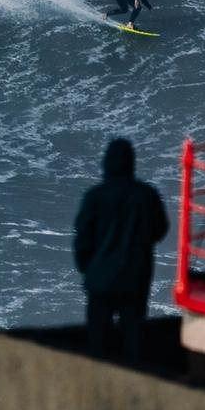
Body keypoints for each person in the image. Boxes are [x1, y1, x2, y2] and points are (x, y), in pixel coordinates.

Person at [74, 137, 169, 363]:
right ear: (131, 163)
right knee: (133, 341)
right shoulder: (147, 195)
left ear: (106, 163)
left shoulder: (94, 197)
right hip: (135, 278)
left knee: (99, 342)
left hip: (100, 280)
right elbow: (160, 229)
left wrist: (88, 268)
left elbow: (83, 240)